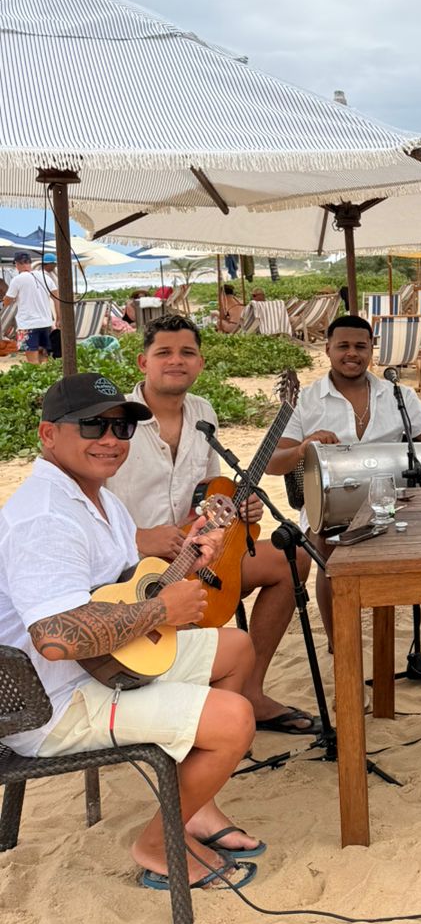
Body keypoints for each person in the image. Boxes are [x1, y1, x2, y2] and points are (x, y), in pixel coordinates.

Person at [0, 373, 263, 889]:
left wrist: (192, 554)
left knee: (236, 648)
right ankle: (155, 843)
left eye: (121, 428)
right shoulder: (45, 517)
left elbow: (123, 588)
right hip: (55, 702)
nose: (110, 439)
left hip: (104, 664)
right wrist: (163, 611)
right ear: (47, 435)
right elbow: (56, 636)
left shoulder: (98, 499)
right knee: (234, 720)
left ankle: (196, 807)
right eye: (92, 425)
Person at [267, 315, 421, 687]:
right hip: (331, 506)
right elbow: (273, 462)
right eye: (343, 346)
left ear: (372, 350)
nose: (352, 354)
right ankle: (342, 646)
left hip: (400, 499)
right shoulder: (306, 401)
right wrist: (305, 448)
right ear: (328, 350)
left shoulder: (398, 394)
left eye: (360, 346)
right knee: (327, 549)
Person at [107, 314, 318, 736]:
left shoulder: (203, 412)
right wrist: (138, 539)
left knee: (290, 559)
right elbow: (85, 509)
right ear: (141, 362)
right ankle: (184, 702)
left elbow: (209, 490)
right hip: (133, 571)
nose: (176, 361)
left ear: (201, 363)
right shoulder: (114, 424)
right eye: (163, 352)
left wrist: (237, 508)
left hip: (198, 554)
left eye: (187, 352)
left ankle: (251, 692)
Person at [3, 251, 55, 364]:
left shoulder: (17, 280)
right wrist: (59, 318)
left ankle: (36, 379)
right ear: (30, 263)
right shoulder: (45, 277)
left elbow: (7, 301)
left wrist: (7, 299)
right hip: (46, 323)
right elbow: (57, 297)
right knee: (44, 357)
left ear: (16, 264)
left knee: (32, 362)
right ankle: (46, 379)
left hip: (27, 325)